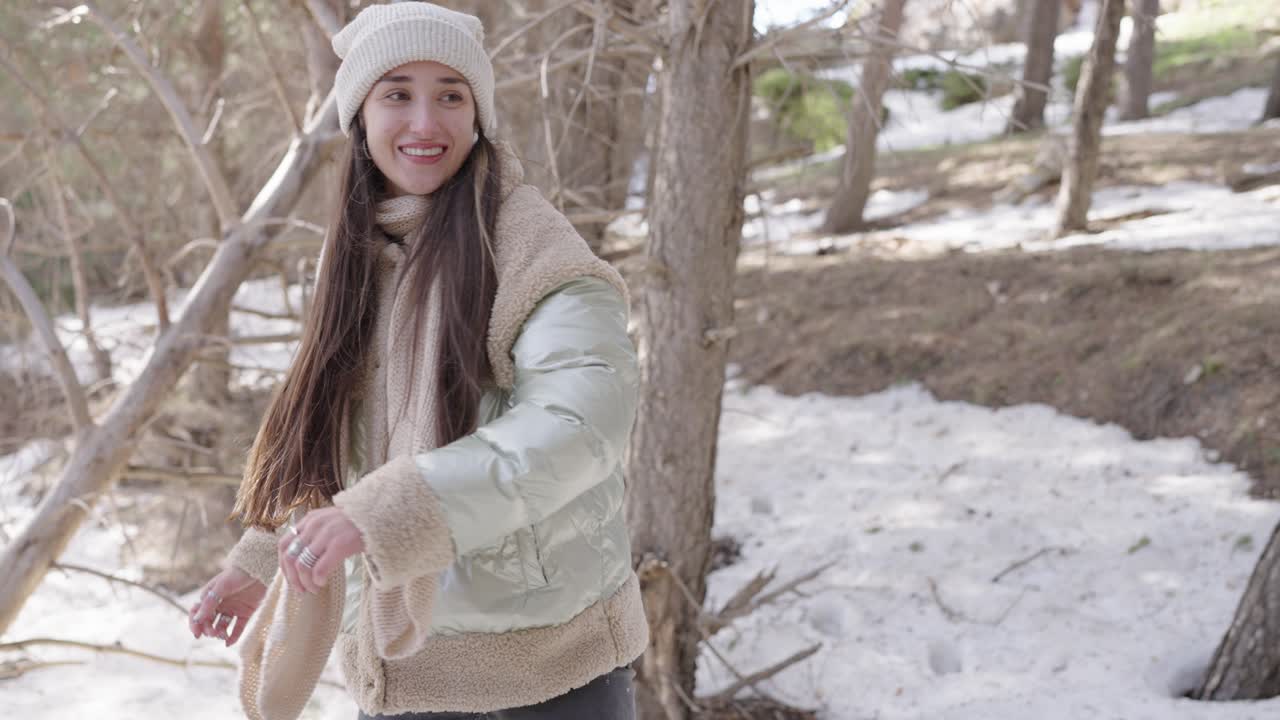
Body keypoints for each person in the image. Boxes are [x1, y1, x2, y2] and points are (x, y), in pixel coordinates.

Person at [185, 4, 648, 718]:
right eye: (398, 93)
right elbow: (339, 438)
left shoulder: (532, 248)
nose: (426, 124)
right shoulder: (358, 256)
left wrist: (392, 508)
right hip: (402, 669)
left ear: (478, 114)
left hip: (551, 675)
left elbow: (581, 423)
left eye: (451, 96)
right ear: (361, 116)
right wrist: (262, 558)